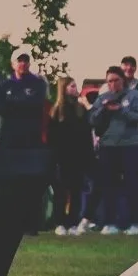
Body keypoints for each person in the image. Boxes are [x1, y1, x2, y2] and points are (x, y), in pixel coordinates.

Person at [91, 64, 138, 233]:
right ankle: (110, 222)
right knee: (109, 185)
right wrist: (104, 109)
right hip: (108, 146)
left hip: (130, 145)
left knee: (132, 184)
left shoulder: (134, 96)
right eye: (109, 81)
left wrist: (121, 110)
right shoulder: (102, 98)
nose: (113, 84)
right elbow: (92, 120)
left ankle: (135, 223)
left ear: (122, 80)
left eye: (116, 80)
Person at [47, 77, 95, 233]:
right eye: (72, 86)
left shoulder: (81, 109)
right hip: (62, 158)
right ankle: (60, 223)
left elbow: (87, 135)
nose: (75, 89)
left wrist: (89, 156)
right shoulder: (56, 112)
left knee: (76, 191)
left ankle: (73, 222)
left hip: (79, 157)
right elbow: (51, 138)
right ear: (64, 88)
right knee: (61, 191)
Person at [0, 51, 47, 149]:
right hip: (8, 139)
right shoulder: (4, 85)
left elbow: (37, 106)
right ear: (13, 64)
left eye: (26, 60)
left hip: (30, 139)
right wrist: (23, 103)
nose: (23, 63)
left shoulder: (38, 84)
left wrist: (11, 103)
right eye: (19, 60)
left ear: (29, 64)